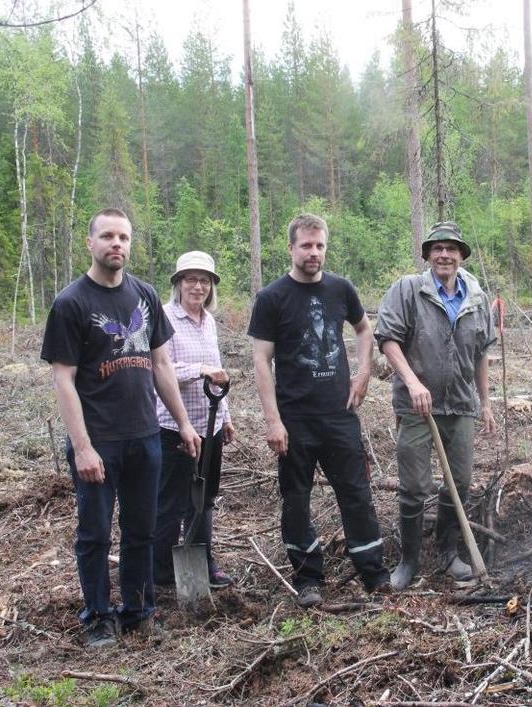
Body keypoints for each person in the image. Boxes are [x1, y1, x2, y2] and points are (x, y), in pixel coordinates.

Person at [41, 207, 201, 648]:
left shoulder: (145, 295)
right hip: (99, 441)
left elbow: (161, 364)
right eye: (108, 236)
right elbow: (64, 380)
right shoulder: (71, 303)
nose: (117, 245)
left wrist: (184, 424)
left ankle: (138, 610)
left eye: (124, 238)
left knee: (141, 530)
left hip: (145, 436)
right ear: (90, 243)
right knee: (94, 533)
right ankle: (96, 616)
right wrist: (83, 446)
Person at [249, 213, 390, 607]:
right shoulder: (272, 298)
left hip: (339, 414)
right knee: (296, 497)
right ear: (291, 248)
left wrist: (363, 372)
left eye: (320, 245)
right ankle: (308, 577)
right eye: (306, 245)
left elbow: (364, 329)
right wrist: (273, 420)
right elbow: (261, 361)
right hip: (295, 419)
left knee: (356, 492)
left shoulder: (341, 289)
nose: (314, 252)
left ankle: (373, 572)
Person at [375, 221, 497, 591]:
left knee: (458, 484)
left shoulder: (475, 297)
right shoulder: (408, 291)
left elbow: (481, 355)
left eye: (452, 248)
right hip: (416, 406)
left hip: (460, 405)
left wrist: (485, 403)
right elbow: (388, 340)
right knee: (413, 484)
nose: (444, 254)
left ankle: (449, 555)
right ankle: (408, 561)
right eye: (437, 248)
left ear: (461, 255)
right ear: (428, 254)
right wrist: (413, 382)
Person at [153, 251, 236, 590]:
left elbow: (218, 373)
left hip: (210, 426)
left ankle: (202, 559)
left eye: (204, 281)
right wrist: (199, 371)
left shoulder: (209, 322)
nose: (197, 287)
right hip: (174, 427)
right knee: (171, 501)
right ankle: (160, 570)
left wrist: (226, 415)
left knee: (204, 500)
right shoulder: (164, 318)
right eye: (191, 279)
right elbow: (160, 369)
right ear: (178, 283)